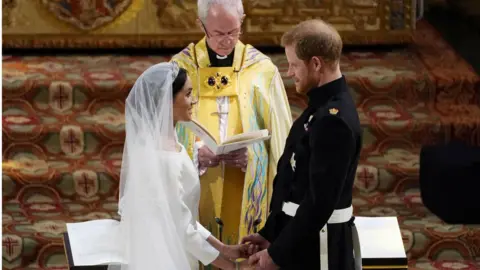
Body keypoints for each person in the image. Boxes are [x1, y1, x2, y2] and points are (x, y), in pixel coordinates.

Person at [241, 19, 363, 270]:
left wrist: (277, 254)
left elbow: (319, 203)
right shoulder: (319, 108)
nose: (289, 72)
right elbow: (292, 184)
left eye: (294, 64)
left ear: (316, 63)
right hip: (302, 242)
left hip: (319, 251)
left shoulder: (333, 121)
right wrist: (270, 233)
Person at [110, 62, 253, 270]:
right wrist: (229, 265)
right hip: (163, 256)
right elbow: (182, 228)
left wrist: (224, 248)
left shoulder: (171, 141)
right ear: (167, 101)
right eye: (187, 94)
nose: (193, 101)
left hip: (173, 248)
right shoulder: (162, 155)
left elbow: (183, 215)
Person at [171, 0, 292, 243]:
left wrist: (254, 157)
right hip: (200, 185)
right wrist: (194, 155)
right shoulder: (180, 67)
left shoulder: (262, 69)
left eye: (234, 32)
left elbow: (282, 140)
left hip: (246, 186)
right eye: (218, 33)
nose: (227, 40)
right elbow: (164, 132)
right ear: (201, 25)